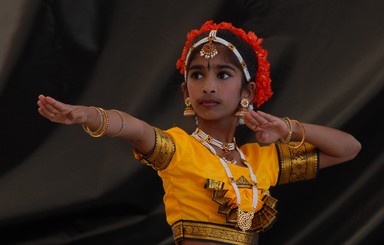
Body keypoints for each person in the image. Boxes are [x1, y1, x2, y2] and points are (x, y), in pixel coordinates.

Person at [37, 20, 361, 245]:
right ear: (185, 93)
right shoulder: (179, 150)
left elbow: (348, 148)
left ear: (247, 92)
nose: (208, 87)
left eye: (223, 75)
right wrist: (91, 115)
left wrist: (288, 128)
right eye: (197, 74)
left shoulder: (260, 162)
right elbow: (135, 129)